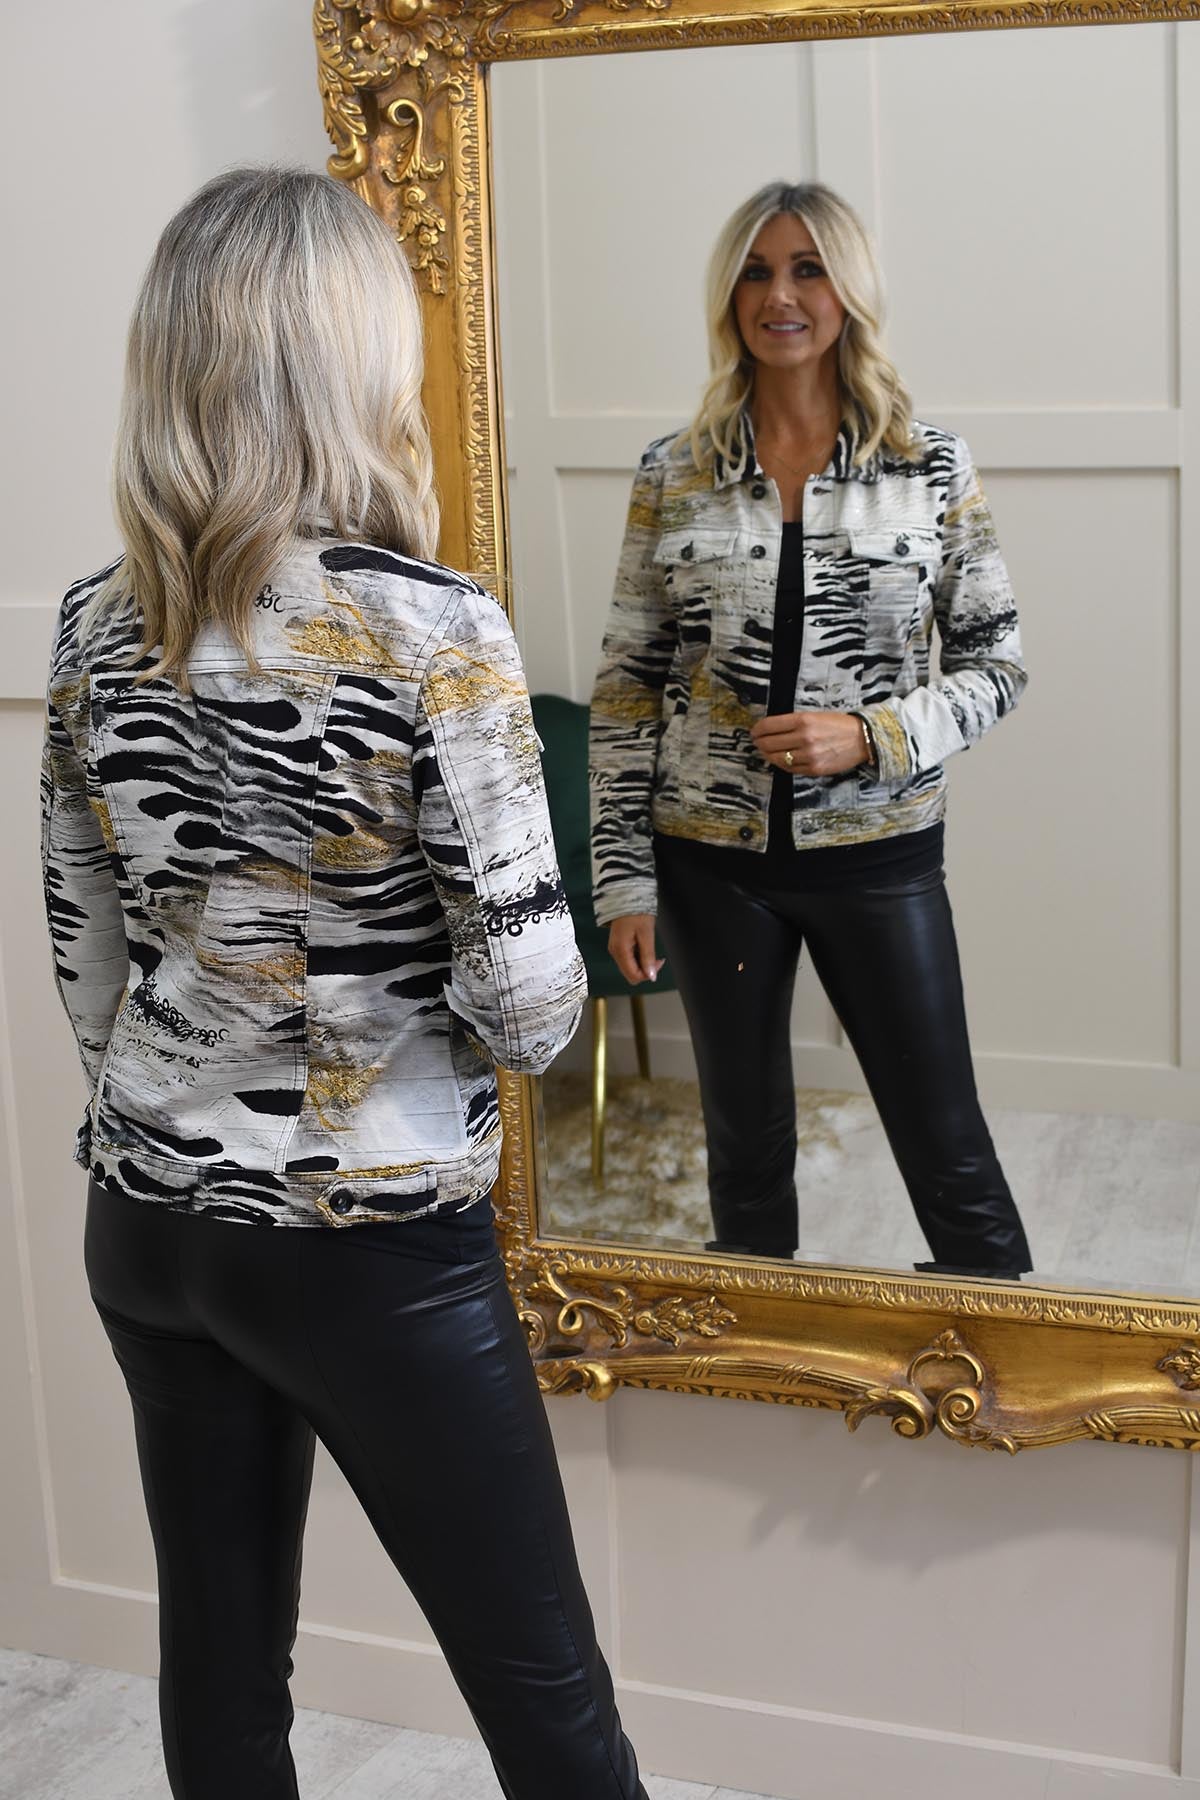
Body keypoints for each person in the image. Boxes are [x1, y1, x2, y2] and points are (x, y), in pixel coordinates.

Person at [40, 166, 647, 1800]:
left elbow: (89, 967)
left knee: (224, 1676)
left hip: (152, 1227)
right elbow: (529, 1016)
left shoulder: (93, 624)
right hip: (368, 1243)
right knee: (551, 1709)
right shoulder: (431, 629)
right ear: (352, 359)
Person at [589, 180, 1032, 1280]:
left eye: (806, 269)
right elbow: (629, 687)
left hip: (879, 858)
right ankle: (750, 1351)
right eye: (755, 272)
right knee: (742, 1151)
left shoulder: (930, 465)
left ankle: (1001, 1340)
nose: (779, 296)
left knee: (946, 1142)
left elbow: (999, 664)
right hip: (708, 866)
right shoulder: (673, 472)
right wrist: (624, 880)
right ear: (728, 295)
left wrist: (872, 736)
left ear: (848, 292)